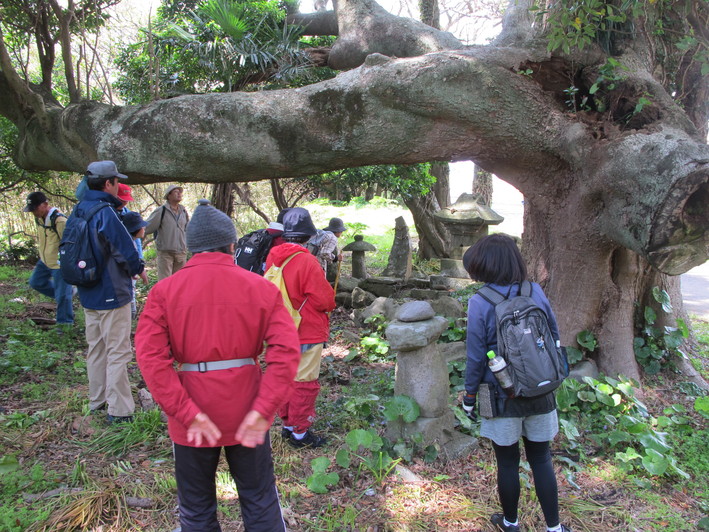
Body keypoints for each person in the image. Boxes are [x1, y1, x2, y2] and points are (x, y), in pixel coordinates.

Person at [135, 199, 300, 532]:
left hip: (192, 414)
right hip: (246, 408)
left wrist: (185, 412)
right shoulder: (261, 288)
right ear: (232, 244)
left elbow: (151, 358)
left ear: (190, 247)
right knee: (260, 501)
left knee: (196, 510)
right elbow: (286, 351)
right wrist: (264, 409)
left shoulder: (164, 291)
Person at [462, 234, 571, 532]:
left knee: (507, 462)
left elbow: (475, 357)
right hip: (541, 387)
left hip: (500, 394)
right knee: (541, 457)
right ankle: (554, 528)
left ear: (485, 266)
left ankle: (510, 523)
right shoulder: (534, 290)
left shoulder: (480, 301)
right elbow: (553, 334)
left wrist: (469, 396)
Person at [72, 160, 144, 423]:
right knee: (117, 351)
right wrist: (138, 267)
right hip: (112, 292)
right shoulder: (106, 213)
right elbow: (125, 251)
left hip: (88, 290)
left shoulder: (78, 210)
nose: (117, 185)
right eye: (116, 181)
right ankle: (120, 410)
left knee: (96, 348)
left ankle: (98, 400)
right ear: (107, 184)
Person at [265, 207, 336, 448]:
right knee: (304, 380)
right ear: (308, 236)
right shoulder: (306, 260)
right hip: (305, 328)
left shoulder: (273, 255)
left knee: (284, 377)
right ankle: (299, 432)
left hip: (278, 328)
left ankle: (287, 424)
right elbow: (325, 300)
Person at [23, 191, 74, 328]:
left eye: (35, 208)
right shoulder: (39, 218)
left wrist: (68, 263)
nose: (33, 212)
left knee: (63, 296)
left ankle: (64, 326)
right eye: (31, 209)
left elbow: (70, 244)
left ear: (45, 204)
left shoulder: (60, 221)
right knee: (36, 282)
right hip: (45, 260)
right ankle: (67, 293)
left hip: (59, 264)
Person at [144, 184, 189, 280]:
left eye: (180, 192)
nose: (179, 194)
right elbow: (147, 227)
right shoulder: (161, 211)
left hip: (181, 253)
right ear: (169, 195)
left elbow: (187, 229)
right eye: (176, 192)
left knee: (179, 283)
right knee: (165, 283)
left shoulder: (183, 211)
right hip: (166, 254)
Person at [122, 211, 149, 319]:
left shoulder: (129, 242)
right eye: (142, 226)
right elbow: (132, 262)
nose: (144, 228)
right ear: (135, 229)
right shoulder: (127, 245)